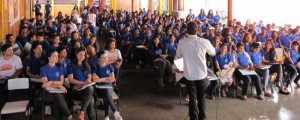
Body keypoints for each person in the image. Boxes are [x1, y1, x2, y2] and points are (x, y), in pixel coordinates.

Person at [175, 22, 215, 120]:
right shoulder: (204, 41)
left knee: (192, 98)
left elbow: (178, 55)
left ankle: (193, 118)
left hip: (189, 75)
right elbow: (213, 53)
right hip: (201, 75)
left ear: (187, 31)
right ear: (197, 30)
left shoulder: (182, 42)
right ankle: (202, 118)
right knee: (201, 98)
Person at [40, 49, 72, 120]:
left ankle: (63, 116)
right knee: (57, 96)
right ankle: (68, 114)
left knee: (58, 98)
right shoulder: (44, 68)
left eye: (57, 56)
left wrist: (51, 82)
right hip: (47, 93)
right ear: (49, 58)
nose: (57, 58)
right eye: (54, 56)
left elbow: (61, 81)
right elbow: (45, 84)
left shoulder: (60, 67)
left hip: (59, 91)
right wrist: (59, 85)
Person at [92, 51, 123, 120]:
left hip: (109, 87)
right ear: (99, 59)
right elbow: (94, 80)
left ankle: (107, 116)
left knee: (107, 92)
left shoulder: (110, 66)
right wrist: (106, 78)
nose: (105, 59)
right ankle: (113, 112)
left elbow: (112, 79)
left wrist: (101, 79)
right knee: (106, 93)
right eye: (103, 57)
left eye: (106, 57)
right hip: (99, 88)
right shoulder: (95, 67)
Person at [68, 47, 95, 120]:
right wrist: (83, 83)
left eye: (83, 55)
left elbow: (89, 78)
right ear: (76, 54)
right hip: (75, 89)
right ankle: (88, 116)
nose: (82, 57)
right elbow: (71, 79)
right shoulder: (71, 65)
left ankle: (82, 111)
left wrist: (85, 83)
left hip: (84, 88)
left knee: (90, 92)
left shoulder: (87, 65)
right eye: (80, 54)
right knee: (91, 98)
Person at [0, 44, 23, 110]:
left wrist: (11, 77)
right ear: (4, 52)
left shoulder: (16, 58)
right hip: (2, 78)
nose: (11, 51)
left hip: (13, 79)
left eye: (11, 50)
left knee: (3, 89)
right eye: (9, 50)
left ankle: (3, 109)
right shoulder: (0, 59)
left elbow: (19, 70)